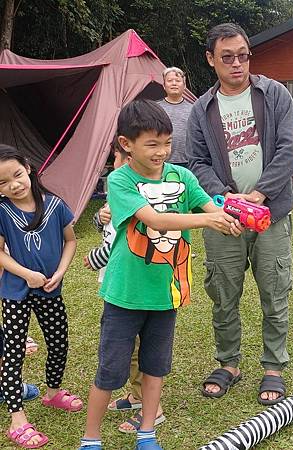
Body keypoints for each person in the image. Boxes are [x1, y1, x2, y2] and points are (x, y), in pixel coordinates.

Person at [79, 99, 241, 450]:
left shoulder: (181, 176)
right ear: (127, 144)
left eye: (166, 143)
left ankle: (147, 432)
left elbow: (210, 206)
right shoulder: (120, 180)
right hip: (125, 293)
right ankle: (91, 439)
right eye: (152, 144)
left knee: (155, 367)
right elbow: (154, 220)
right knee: (110, 370)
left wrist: (231, 214)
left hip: (166, 293)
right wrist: (206, 220)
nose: (161, 151)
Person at [186, 22, 293, 406]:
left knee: (274, 290)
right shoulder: (201, 110)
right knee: (223, 292)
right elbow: (197, 163)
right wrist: (228, 199)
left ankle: (273, 366)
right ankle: (229, 362)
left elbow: (289, 150)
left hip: (271, 213)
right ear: (210, 60)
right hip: (223, 218)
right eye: (227, 57)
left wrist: (259, 194)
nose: (237, 64)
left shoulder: (275, 95)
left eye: (243, 56)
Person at [0, 145, 81, 448]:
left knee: (59, 342)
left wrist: (60, 272)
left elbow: (70, 241)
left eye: (16, 175)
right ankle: (17, 418)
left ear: (28, 168)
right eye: (3, 183)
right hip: (16, 293)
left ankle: (52, 393)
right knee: (14, 351)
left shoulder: (56, 205)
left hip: (50, 289)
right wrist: (24, 273)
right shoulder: (2, 211)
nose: (13, 185)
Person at [83, 137, 165, 433]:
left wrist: (93, 258)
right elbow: (105, 231)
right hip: (116, 284)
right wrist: (100, 216)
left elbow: (126, 241)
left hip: (135, 285)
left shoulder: (139, 193)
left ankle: (152, 409)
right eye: (116, 161)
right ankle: (134, 396)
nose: (118, 168)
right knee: (128, 351)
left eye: (121, 161)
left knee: (144, 350)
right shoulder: (115, 191)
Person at [156, 67, 193, 169]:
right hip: (161, 160)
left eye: (178, 81)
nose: (174, 83)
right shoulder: (156, 109)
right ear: (164, 86)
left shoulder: (193, 109)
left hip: (188, 161)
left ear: (184, 86)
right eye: (169, 81)